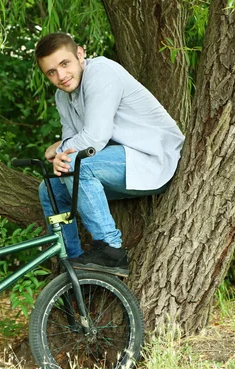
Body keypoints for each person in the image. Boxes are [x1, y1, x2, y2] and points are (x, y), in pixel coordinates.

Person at [35, 32, 184, 276]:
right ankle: (72, 265)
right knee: (50, 187)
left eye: (65, 64)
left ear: (80, 55)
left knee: (75, 164)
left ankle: (111, 249)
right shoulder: (62, 96)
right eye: (51, 72)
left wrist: (59, 150)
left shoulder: (101, 72)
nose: (60, 76)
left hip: (153, 158)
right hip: (119, 163)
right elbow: (74, 141)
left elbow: (94, 138)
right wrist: (63, 150)